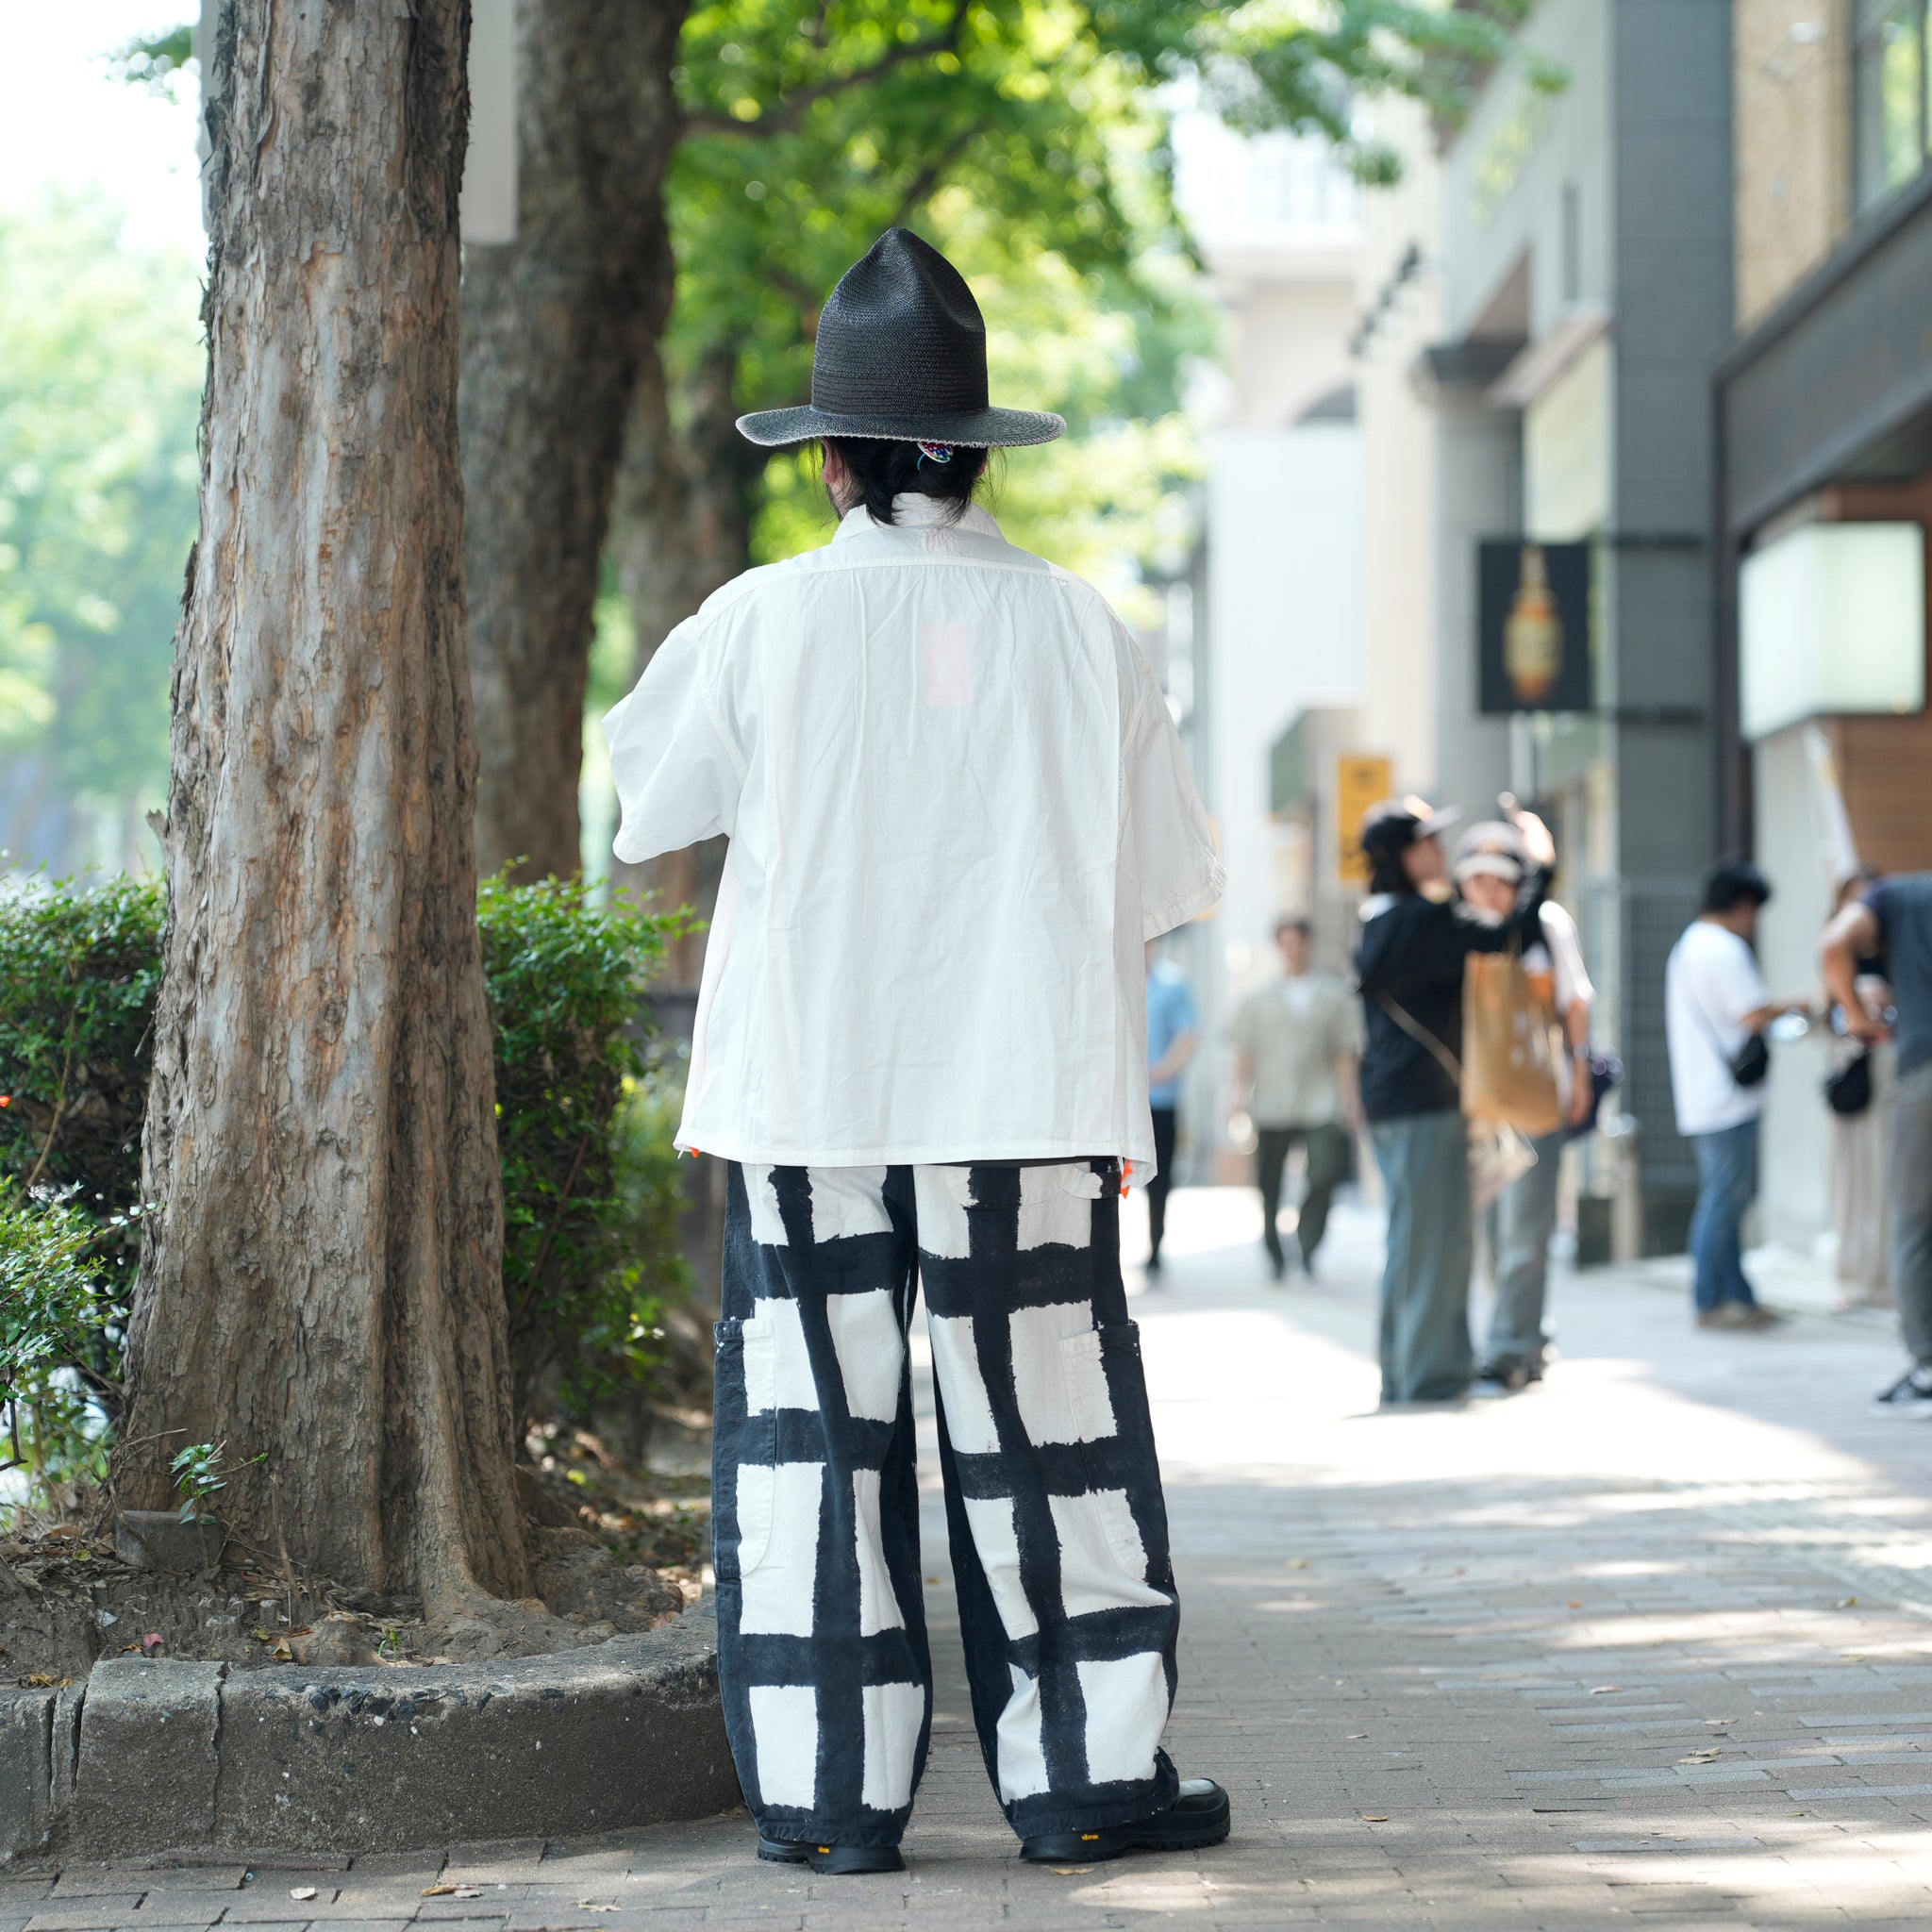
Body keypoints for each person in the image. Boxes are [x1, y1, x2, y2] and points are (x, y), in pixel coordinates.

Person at [603, 229, 1230, 1874]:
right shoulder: (1085, 630)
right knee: (1049, 1435)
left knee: (815, 1437)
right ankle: (1086, 1777)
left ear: (831, 459)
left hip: (809, 1086)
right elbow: (1167, 881)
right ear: (973, 451)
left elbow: (643, 803)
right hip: (1027, 1085)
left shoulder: (753, 622)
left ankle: (831, 1798)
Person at [1355, 794, 1555, 1405]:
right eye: (1427, 843)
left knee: (1411, 1242)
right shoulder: (1420, 920)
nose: (1439, 852)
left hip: (1396, 1102)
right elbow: (1511, 933)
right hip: (1426, 1103)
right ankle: (1431, 1377)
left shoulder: (1381, 918)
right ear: (1401, 856)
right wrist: (1541, 867)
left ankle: (1405, 1372)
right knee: (1438, 1244)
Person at [1451, 824, 1595, 1391]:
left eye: (1501, 880)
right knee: (1490, 1235)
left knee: (1526, 1229)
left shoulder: (1547, 925)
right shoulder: (1454, 928)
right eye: (1477, 880)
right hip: (1478, 1105)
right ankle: (1526, 1331)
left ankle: (1510, 1346)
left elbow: (1575, 1003)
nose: (1488, 891)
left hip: (1537, 1100)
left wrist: (1580, 1073)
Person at [1664, 862, 1807, 1331]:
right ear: (1744, 905)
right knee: (1724, 1201)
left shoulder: (1689, 945)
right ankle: (1711, 1299)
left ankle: (1736, 1297)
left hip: (1704, 1093)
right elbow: (1754, 1013)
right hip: (1726, 1097)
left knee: (1725, 1199)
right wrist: (1804, 1003)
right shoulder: (1723, 948)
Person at [1822, 870, 1932, 1411]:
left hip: (1924, 1075)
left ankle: (1928, 1368)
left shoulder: (1900, 896)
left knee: (1915, 1223)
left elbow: (1833, 943)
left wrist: (1857, 1016)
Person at [1230, 917, 1362, 1279]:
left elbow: (1346, 1052)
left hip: (1321, 1100)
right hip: (1272, 1102)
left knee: (1324, 1172)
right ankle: (1274, 1251)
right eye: (1286, 942)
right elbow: (1244, 1052)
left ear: (1309, 943)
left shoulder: (1335, 995)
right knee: (1268, 1182)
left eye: (1298, 941)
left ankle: (1307, 1243)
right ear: (1278, 946)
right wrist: (1238, 1098)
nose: (1293, 949)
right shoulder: (1257, 998)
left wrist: (1351, 1101)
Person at [1822, 868, 1891, 1313]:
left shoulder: (1896, 949)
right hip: (1847, 1067)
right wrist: (1855, 1012)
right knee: (1846, 1176)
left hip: (1888, 1066)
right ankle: (1851, 1276)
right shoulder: (1834, 952)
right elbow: (1825, 1011)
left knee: (1886, 1174)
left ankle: (1884, 1276)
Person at [1142, 938, 1199, 1275]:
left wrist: (1165, 1068)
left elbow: (1188, 1035)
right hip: (1116, 1105)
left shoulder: (1172, 984)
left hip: (1160, 1100)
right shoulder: (1110, 977)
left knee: (1159, 1179)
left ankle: (1155, 1248)